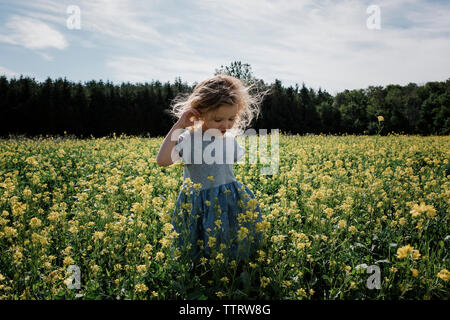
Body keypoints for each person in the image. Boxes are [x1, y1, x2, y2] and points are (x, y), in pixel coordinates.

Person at [156, 74, 267, 264]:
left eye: (231, 118)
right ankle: (203, 271)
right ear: (200, 113)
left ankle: (229, 269)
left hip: (228, 195)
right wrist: (179, 125)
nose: (226, 125)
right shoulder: (190, 139)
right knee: (197, 244)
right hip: (198, 199)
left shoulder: (230, 139)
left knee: (230, 239)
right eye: (218, 120)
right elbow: (163, 160)